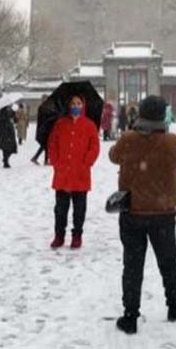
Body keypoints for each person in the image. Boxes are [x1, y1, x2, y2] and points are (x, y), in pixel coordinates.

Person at [109, 95, 176, 335]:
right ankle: (174, 306)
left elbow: (113, 156)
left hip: (133, 212)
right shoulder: (171, 141)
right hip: (163, 212)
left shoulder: (128, 139)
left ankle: (130, 315)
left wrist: (132, 133)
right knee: (168, 261)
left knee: (132, 265)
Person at [47, 95, 100, 249]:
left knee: (79, 209)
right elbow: (52, 144)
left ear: (83, 106)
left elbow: (94, 147)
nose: (75, 106)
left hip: (80, 174)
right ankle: (59, 235)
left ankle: (77, 235)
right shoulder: (60, 124)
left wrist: (86, 162)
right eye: (73, 103)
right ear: (68, 105)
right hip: (63, 173)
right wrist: (56, 162)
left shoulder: (90, 125)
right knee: (60, 209)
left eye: (78, 103)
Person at [32, 96, 50, 165]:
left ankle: (41, 159)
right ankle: (38, 158)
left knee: (45, 145)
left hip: (44, 128)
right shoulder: (43, 108)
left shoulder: (43, 107)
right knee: (45, 145)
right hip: (44, 128)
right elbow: (45, 118)